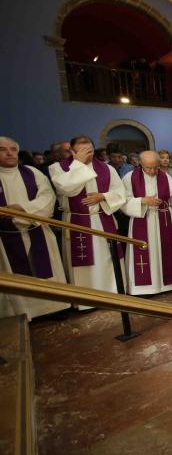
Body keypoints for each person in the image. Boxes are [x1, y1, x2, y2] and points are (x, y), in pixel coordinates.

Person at [50, 136, 126, 308]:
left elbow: (120, 192)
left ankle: (113, 294)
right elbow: (66, 188)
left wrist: (103, 196)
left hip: (102, 217)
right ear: (72, 152)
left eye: (90, 150)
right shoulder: (58, 168)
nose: (88, 154)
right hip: (77, 220)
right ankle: (86, 301)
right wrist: (79, 164)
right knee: (84, 264)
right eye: (83, 151)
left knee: (107, 258)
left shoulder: (107, 168)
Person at [0, 136, 69, 320]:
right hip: (5, 235)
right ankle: (23, 313)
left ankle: (54, 307)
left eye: (13, 149)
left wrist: (22, 209)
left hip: (37, 228)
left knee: (46, 269)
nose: (9, 153)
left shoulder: (32, 172)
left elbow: (48, 197)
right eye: (3, 149)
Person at [121, 151, 172, 295]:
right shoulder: (129, 178)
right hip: (141, 220)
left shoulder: (166, 177)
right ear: (140, 164)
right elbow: (123, 200)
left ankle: (168, 284)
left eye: (156, 167)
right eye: (148, 168)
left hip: (164, 221)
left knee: (165, 252)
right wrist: (142, 201)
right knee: (145, 254)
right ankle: (144, 287)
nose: (153, 171)